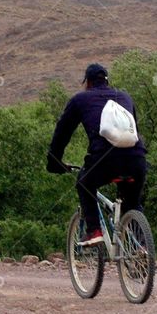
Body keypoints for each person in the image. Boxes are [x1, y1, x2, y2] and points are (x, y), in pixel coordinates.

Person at [46, 63, 148, 245]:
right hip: (137, 159)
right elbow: (134, 130)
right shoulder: (125, 96)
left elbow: (62, 133)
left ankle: (94, 231)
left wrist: (54, 162)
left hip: (105, 160)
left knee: (84, 182)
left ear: (88, 83)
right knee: (132, 203)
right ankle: (142, 249)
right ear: (107, 81)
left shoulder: (80, 100)